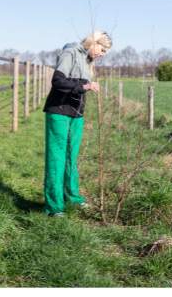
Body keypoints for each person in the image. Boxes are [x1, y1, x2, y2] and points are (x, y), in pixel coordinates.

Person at [42, 31, 112, 217]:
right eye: (102, 49)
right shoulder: (70, 53)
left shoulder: (87, 60)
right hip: (59, 112)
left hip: (76, 115)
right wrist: (84, 87)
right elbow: (57, 81)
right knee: (56, 159)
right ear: (94, 42)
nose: (102, 54)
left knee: (71, 157)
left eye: (105, 52)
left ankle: (73, 197)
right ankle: (55, 207)